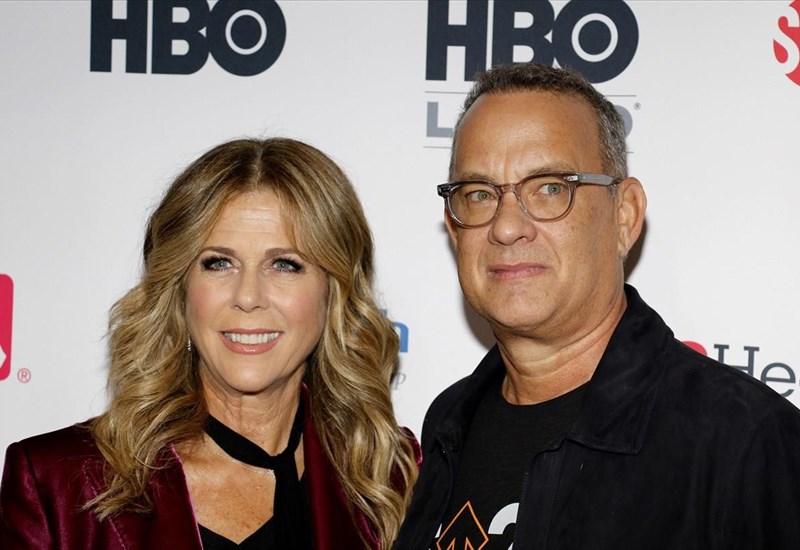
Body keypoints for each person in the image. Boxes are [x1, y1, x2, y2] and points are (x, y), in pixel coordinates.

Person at [394, 63, 800, 549]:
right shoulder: (448, 422)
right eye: (479, 194)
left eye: (550, 188)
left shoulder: (745, 442)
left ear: (624, 215)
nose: (506, 227)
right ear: (453, 225)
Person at [0, 137, 419, 549]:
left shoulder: (391, 478)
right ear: (179, 288)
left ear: (334, 292)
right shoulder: (57, 484)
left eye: (285, 264)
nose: (248, 297)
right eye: (219, 263)